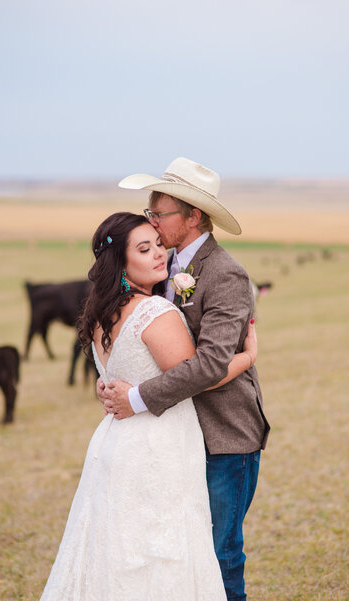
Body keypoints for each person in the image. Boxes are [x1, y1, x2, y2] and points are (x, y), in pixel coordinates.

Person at [39, 211, 258, 601]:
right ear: (121, 263)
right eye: (144, 248)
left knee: (118, 549)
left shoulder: (101, 311)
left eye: (157, 243)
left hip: (116, 442)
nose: (159, 254)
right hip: (159, 444)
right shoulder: (155, 311)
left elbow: (113, 376)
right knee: (164, 550)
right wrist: (247, 356)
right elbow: (200, 372)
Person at [99, 157, 270, 601]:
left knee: (220, 554)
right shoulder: (165, 264)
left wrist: (136, 397)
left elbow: (212, 364)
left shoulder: (226, 272)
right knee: (181, 552)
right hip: (177, 438)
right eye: (150, 213)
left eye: (159, 213)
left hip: (224, 435)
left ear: (193, 217)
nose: (151, 221)